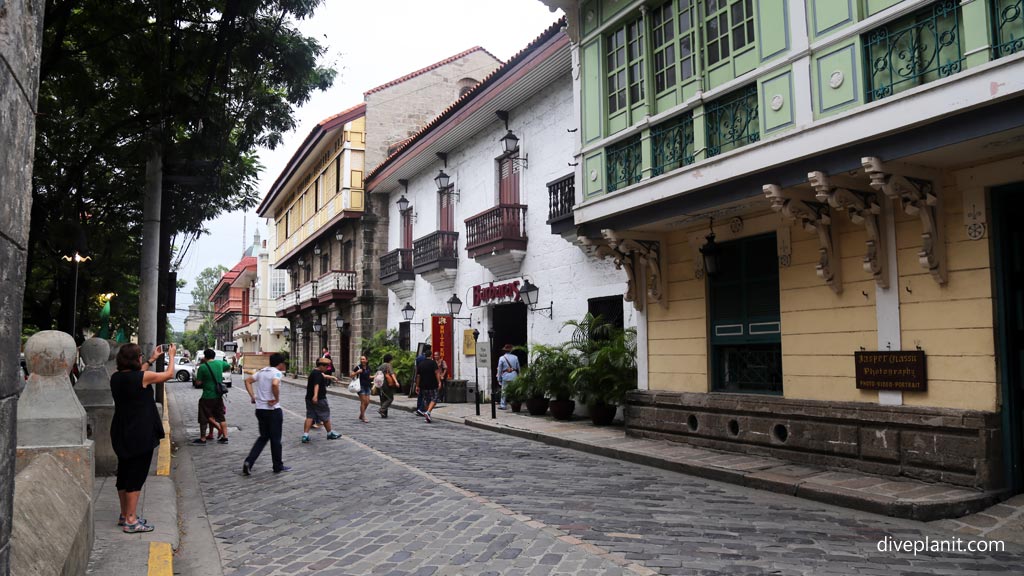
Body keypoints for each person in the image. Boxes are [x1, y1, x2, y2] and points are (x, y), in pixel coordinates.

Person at [110, 342, 174, 533]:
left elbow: (139, 375)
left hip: (121, 430)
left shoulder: (116, 378)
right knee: (136, 476)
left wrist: (151, 359)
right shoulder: (142, 377)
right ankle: (131, 520)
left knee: (123, 473)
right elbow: (168, 375)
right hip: (139, 432)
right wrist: (171, 356)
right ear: (136, 359)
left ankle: (124, 514)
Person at [242, 353, 291, 475]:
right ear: (280, 364)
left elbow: (248, 381)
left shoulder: (262, 371)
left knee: (263, 437)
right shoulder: (277, 373)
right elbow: (275, 384)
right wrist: (276, 398)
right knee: (275, 439)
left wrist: (253, 396)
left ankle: (249, 461)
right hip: (273, 410)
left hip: (260, 409)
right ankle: (277, 465)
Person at [193, 349, 230, 444]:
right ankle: (225, 437)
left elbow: (198, 382)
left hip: (207, 395)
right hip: (218, 395)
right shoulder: (219, 363)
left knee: (204, 416)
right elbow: (228, 366)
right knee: (220, 416)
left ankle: (203, 438)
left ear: (205, 357)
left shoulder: (203, 367)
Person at [302, 357, 343, 442]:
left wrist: (332, 377)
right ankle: (329, 433)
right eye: (326, 367)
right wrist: (316, 396)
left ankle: (305, 435)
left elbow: (324, 376)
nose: (327, 368)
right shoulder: (318, 374)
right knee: (325, 415)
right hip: (319, 399)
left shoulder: (315, 372)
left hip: (308, 398)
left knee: (309, 416)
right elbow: (316, 385)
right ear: (321, 366)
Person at [414, 351, 442, 423]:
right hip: (432, 384)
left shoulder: (421, 364)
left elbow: (418, 376)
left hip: (423, 385)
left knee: (426, 400)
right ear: (431, 355)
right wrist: (439, 382)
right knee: (434, 398)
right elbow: (437, 373)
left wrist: (417, 386)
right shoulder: (433, 363)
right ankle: (428, 412)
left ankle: (427, 414)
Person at [496, 343, 520, 410]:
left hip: (505, 376)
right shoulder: (515, 357)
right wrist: (519, 375)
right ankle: (515, 404)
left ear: (504, 350)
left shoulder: (501, 358)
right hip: (514, 376)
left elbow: (499, 369)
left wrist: (499, 378)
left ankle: (503, 405)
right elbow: (518, 368)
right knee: (514, 391)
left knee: (504, 391)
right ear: (511, 350)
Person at [351, 355, 372, 423]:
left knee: (367, 402)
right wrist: (357, 372)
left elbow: (369, 376)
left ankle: (361, 414)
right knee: (363, 401)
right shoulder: (358, 367)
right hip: (360, 386)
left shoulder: (368, 368)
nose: (362, 360)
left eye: (363, 359)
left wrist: (376, 376)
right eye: (361, 359)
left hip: (367, 386)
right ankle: (363, 416)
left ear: (366, 360)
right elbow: (351, 375)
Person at [377, 353, 398, 418]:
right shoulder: (388, 365)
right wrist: (396, 382)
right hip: (386, 384)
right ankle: (382, 409)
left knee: (383, 398)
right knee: (390, 398)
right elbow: (392, 374)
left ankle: (384, 414)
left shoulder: (381, 366)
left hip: (380, 384)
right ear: (390, 360)